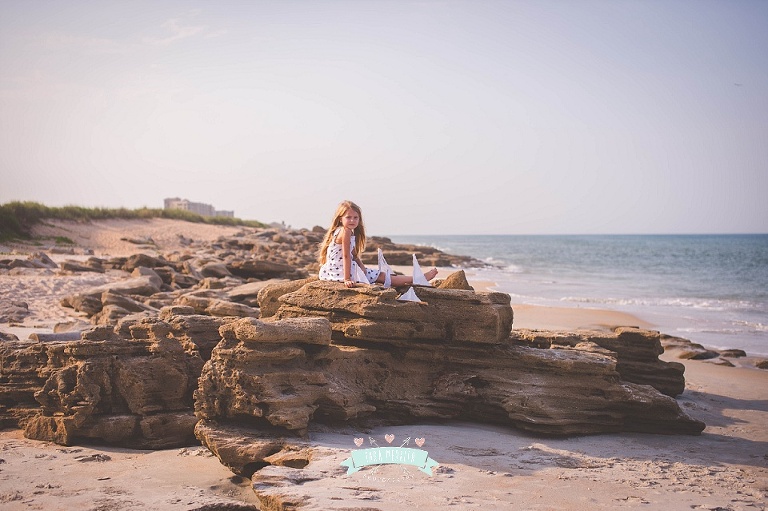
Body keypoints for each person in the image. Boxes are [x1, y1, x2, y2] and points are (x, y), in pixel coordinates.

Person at [318, 200, 438, 288]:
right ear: (340, 219)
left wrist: (362, 267)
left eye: (355, 218)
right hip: (341, 271)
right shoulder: (345, 231)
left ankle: (415, 279)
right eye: (348, 217)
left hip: (334, 269)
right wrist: (347, 279)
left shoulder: (343, 230)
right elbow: (346, 256)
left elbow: (353, 255)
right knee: (382, 277)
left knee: (382, 274)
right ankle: (418, 279)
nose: (352, 220)